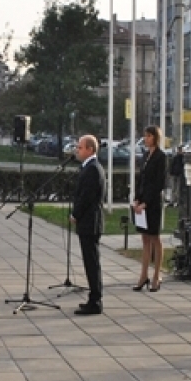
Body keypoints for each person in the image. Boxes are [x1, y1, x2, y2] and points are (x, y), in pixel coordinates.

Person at [70, 135, 105, 315]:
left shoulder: (92, 169)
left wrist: (75, 214)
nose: (77, 150)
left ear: (90, 149)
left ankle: (95, 300)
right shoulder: (88, 167)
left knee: (92, 262)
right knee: (89, 261)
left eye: (80, 147)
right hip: (88, 222)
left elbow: (87, 197)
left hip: (90, 223)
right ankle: (93, 297)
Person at [133, 125, 168, 292]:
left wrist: (146, 202)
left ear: (155, 137)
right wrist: (136, 199)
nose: (145, 139)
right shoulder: (146, 155)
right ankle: (143, 275)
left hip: (152, 203)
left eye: (148, 136)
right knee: (145, 238)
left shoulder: (161, 157)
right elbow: (142, 179)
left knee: (155, 238)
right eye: (144, 136)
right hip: (142, 202)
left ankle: (156, 275)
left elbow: (158, 183)